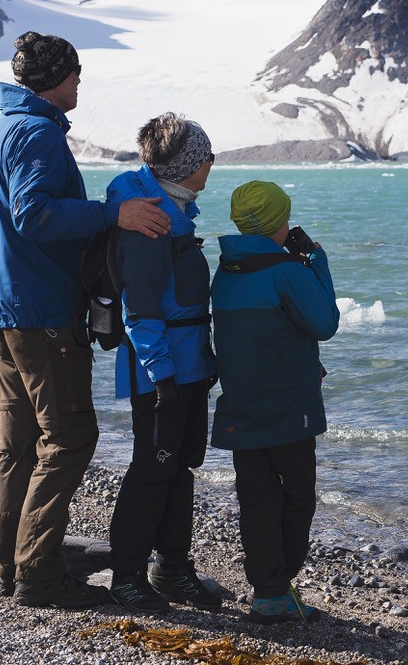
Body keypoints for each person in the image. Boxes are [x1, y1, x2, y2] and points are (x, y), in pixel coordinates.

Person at [0, 30, 170, 610]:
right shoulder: (36, 132)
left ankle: (8, 566)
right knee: (69, 436)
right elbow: (33, 214)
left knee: (19, 442)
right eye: (76, 72)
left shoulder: (4, 127)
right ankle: (38, 575)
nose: (80, 81)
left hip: (8, 305)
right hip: (41, 310)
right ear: (58, 78)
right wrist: (114, 214)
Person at [104, 113, 222, 615]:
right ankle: (127, 576)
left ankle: (172, 568)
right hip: (162, 371)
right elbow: (140, 310)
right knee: (152, 470)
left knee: (179, 467)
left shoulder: (175, 212)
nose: (212, 162)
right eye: (206, 156)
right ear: (186, 166)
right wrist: (163, 377)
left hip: (187, 365)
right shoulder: (152, 221)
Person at [210, 181, 339, 623]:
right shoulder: (287, 271)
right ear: (277, 222)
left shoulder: (226, 271)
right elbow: (325, 323)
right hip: (288, 410)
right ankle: (277, 586)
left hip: (241, 407)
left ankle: (267, 591)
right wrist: (317, 263)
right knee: (298, 497)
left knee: (257, 499)